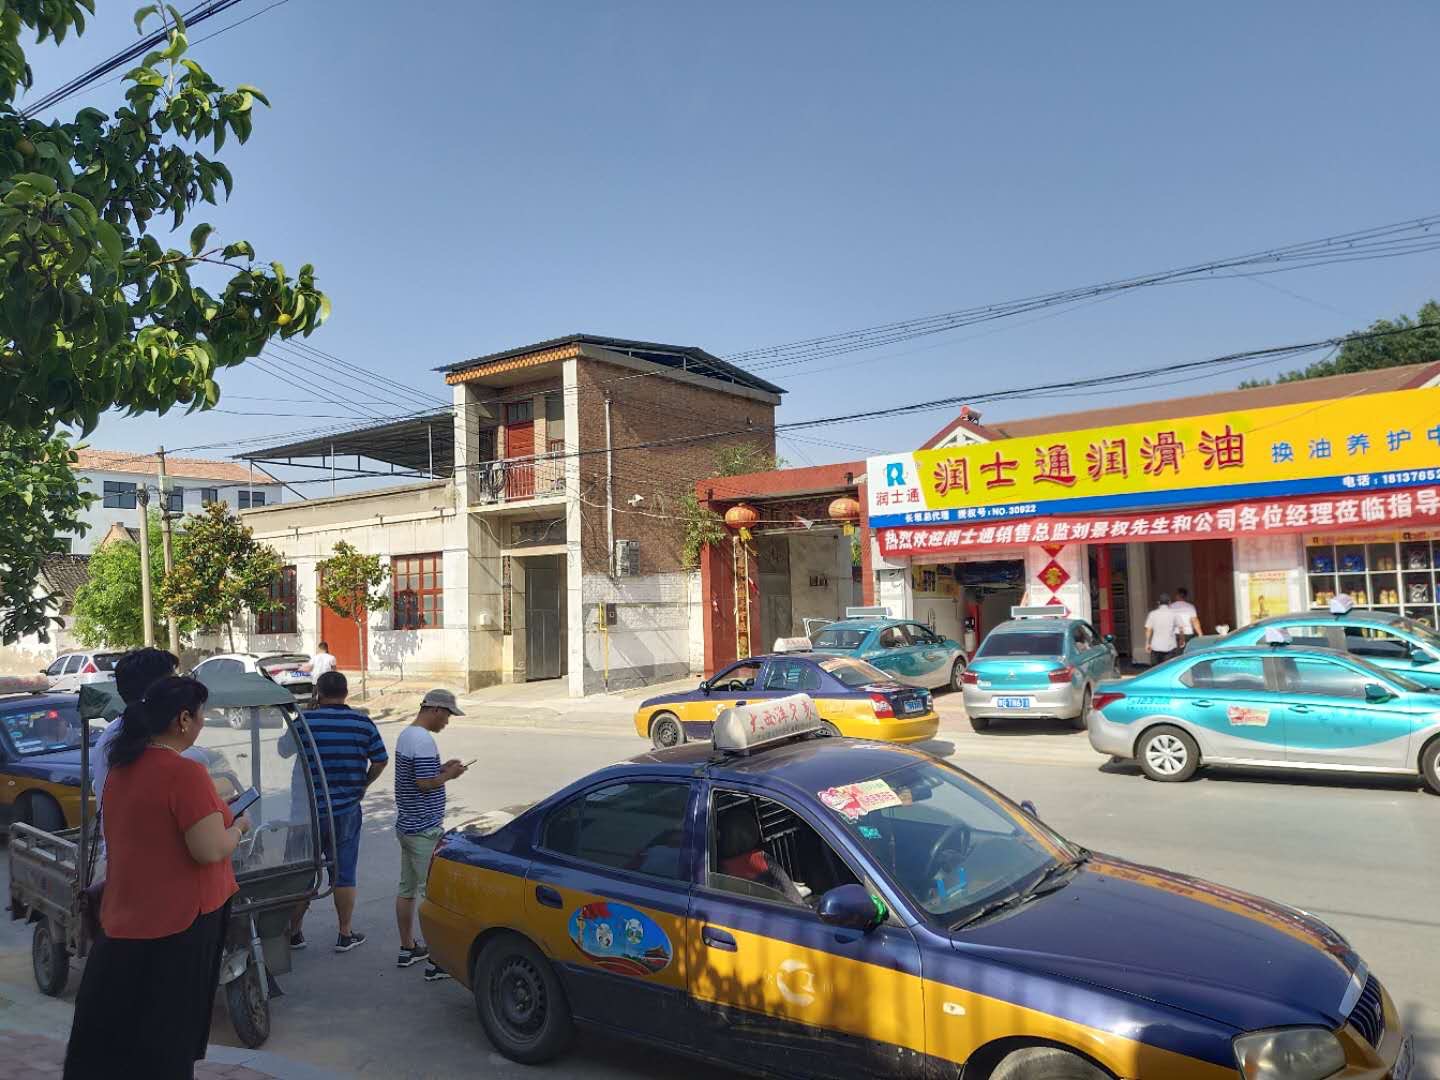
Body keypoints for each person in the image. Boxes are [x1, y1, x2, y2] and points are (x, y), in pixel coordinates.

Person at [64, 677, 249, 1079]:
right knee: (168, 1034)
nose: (203, 722)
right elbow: (208, 849)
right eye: (201, 715)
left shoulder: (120, 769)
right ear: (183, 719)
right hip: (181, 923)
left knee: (123, 1029)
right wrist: (238, 828)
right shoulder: (184, 773)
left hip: (124, 917)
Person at [289, 670, 388, 952]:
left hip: (306, 812)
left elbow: (284, 750)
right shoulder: (362, 722)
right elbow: (380, 759)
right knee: (343, 873)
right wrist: (364, 784)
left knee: (302, 873)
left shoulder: (304, 721)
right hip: (345, 810)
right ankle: (344, 934)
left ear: (318, 693)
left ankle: (293, 933)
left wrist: (308, 710)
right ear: (346, 693)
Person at [393, 689, 467, 980]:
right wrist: (450, 775)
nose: (447, 722)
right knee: (433, 895)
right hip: (424, 829)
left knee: (406, 889)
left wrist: (442, 768)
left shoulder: (407, 735)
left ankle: (407, 947)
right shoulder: (423, 740)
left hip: (407, 825)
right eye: (447, 715)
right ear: (435, 710)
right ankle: (437, 961)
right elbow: (424, 783)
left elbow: (419, 775)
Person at [1144, 594, 1181, 664]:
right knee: (1169, 668)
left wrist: (1147, 643)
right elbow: (1181, 628)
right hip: (1170, 646)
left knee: (1156, 669)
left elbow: (1148, 629)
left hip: (1156, 646)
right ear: (1169, 602)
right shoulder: (1174, 614)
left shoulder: (1152, 614)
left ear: (1158, 602)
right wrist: (1182, 639)